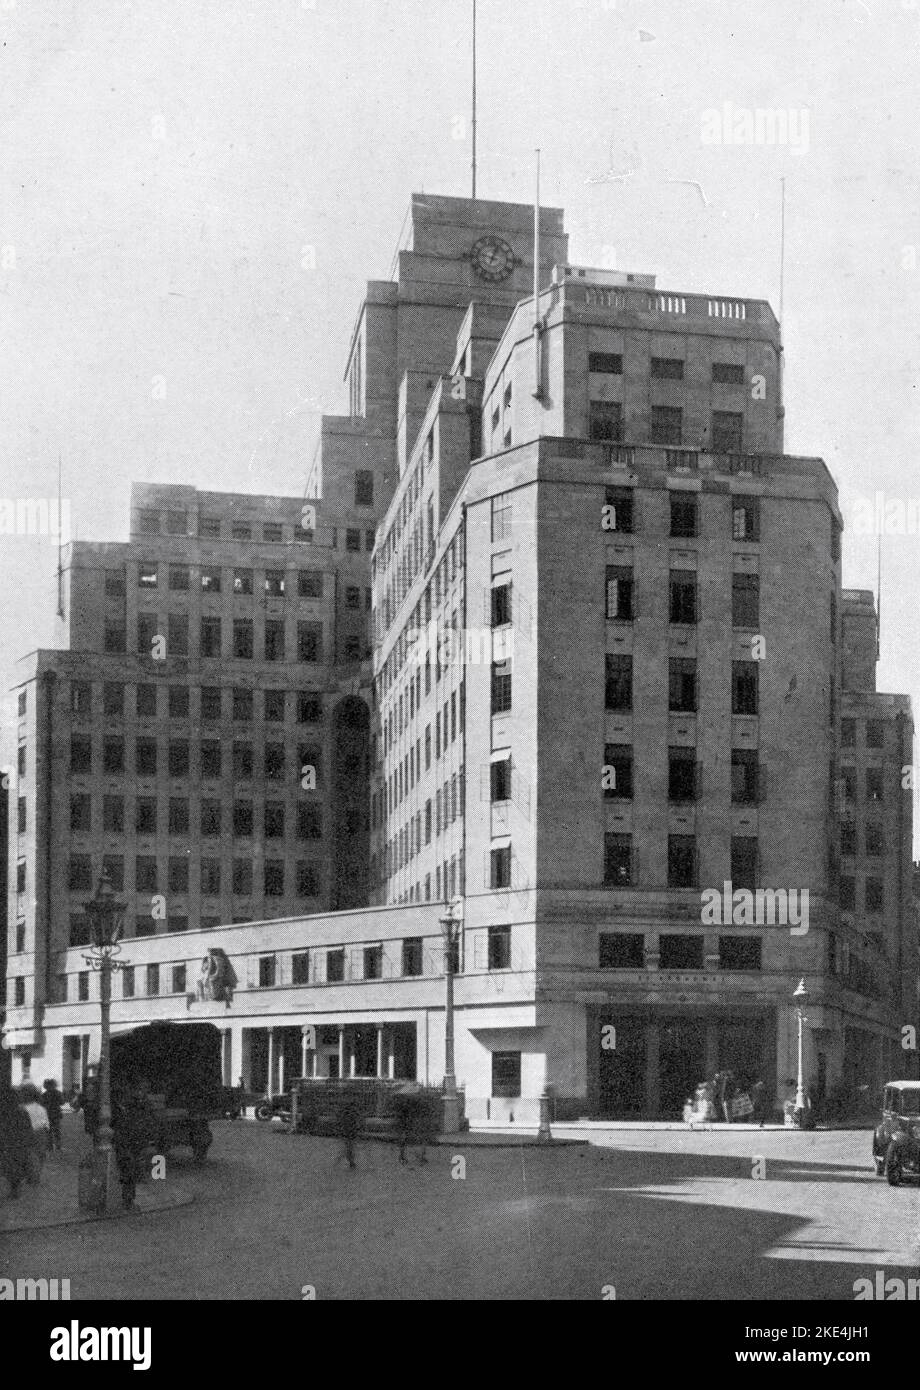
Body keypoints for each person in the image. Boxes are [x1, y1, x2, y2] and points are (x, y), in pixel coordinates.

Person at [112, 1076, 157, 1211]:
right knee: (128, 1168)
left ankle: (129, 1198)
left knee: (134, 1169)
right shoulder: (127, 1104)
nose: (141, 1092)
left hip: (138, 1140)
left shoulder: (145, 1104)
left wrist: (150, 1137)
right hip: (125, 1140)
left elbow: (150, 1121)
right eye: (139, 1089)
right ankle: (127, 1200)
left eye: (144, 1089)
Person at [0, 1086, 34, 1199]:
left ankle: (12, 1190)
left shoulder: (4, 1112)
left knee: (7, 1167)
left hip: (7, 1143)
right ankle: (14, 1189)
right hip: (18, 1144)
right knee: (15, 1167)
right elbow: (28, 1129)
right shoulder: (22, 1112)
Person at [18, 1083, 50, 1183]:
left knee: (28, 1155)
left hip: (26, 1132)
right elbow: (46, 1124)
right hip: (41, 1132)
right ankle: (35, 1176)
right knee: (39, 1155)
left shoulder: (20, 1108)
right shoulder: (40, 1108)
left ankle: (30, 1175)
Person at [394, 1083, 429, 1167]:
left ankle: (402, 1156)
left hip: (405, 1122)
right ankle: (421, 1157)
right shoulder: (415, 1101)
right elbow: (418, 1111)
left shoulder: (401, 1101)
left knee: (405, 1139)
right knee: (419, 1138)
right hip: (411, 1122)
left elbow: (399, 1113)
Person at [336, 1093, 362, 1170]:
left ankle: (350, 1160)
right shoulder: (354, 1112)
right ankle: (351, 1161)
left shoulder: (345, 1113)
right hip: (351, 1132)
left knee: (348, 1147)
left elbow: (341, 1121)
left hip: (347, 1132)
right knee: (350, 1147)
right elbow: (358, 1121)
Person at [41, 1079, 65, 1153]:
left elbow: (41, 1104)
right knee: (57, 1131)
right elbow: (62, 1102)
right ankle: (58, 1146)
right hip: (56, 1114)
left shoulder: (44, 1094)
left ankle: (50, 1147)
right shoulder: (58, 1093)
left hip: (47, 1114)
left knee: (49, 1131)